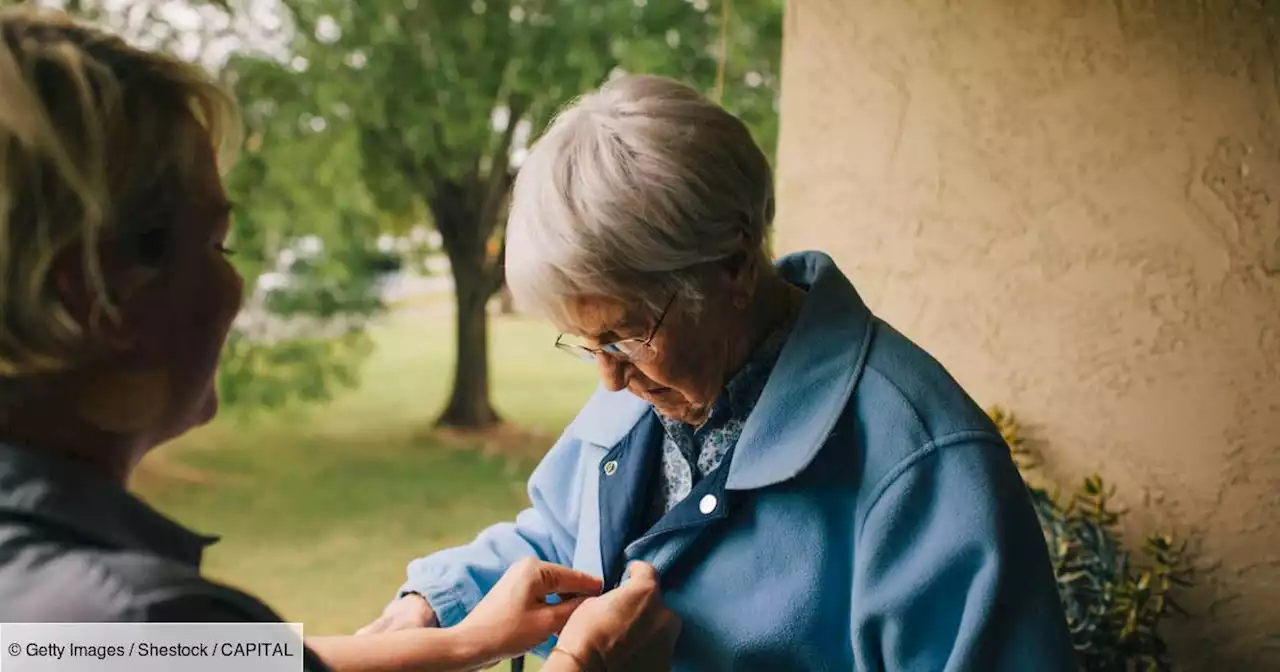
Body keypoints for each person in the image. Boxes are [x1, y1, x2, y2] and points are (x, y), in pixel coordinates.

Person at [0, 8, 679, 672]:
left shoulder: (68, 610)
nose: (235, 290)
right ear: (92, 295)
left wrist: (454, 642)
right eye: (216, 243)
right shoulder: (139, 613)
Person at [365, 74, 1079, 670]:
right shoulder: (253, 642)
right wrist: (437, 608)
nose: (609, 381)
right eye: (586, 343)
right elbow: (563, 540)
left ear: (733, 263)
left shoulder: (926, 470)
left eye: (626, 334)